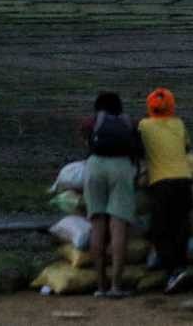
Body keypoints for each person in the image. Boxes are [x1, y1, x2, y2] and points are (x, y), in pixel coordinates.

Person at [82, 92, 143, 298]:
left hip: (95, 167)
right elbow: (139, 150)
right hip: (121, 167)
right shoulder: (129, 122)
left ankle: (100, 286)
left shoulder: (92, 121)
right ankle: (116, 286)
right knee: (118, 227)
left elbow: (87, 142)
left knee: (97, 224)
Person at [137, 87, 193, 293]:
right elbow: (186, 148)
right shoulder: (179, 124)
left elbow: (138, 146)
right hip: (184, 181)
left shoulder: (144, 125)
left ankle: (172, 272)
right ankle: (181, 267)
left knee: (161, 230)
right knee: (182, 227)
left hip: (161, 183)